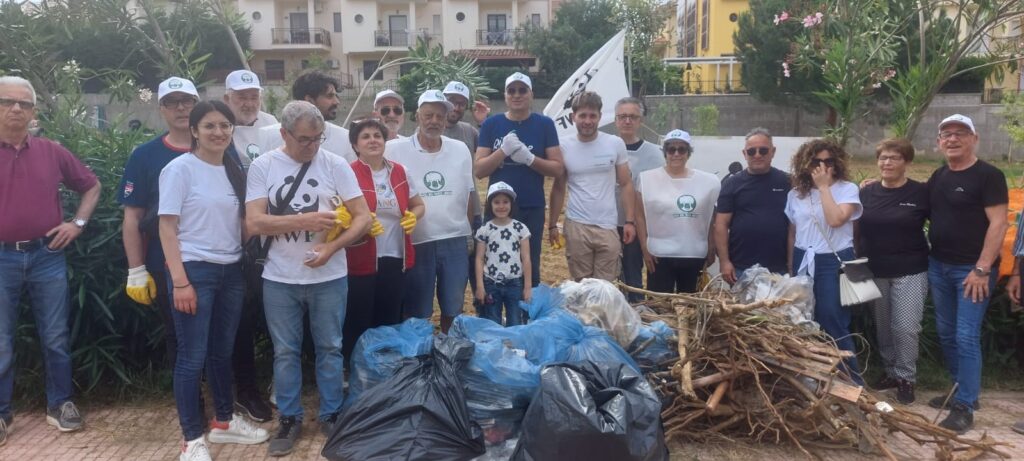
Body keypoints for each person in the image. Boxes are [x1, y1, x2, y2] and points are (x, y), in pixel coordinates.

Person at [245, 101, 371, 456]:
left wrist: (333, 247)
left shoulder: (335, 164)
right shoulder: (263, 166)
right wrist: (305, 220)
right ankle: (289, 418)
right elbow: (254, 222)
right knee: (285, 351)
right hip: (280, 276)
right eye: (304, 139)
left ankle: (332, 414)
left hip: (330, 275)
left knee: (330, 347)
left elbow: (362, 217)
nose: (312, 146)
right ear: (283, 134)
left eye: (318, 138)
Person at [159, 101, 270, 461]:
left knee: (222, 352)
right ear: (194, 130)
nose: (219, 132)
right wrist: (180, 281)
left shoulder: (234, 169)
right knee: (192, 357)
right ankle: (191, 439)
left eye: (225, 125)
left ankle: (224, 420)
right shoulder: (179, 170)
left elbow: (244, 223)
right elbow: (167, 227)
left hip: (231, 271)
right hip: (195, 271)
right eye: (209, 126)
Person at [0, 76, 99, 444]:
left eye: (24, 104)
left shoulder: (51, 151)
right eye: (7, 102)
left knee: (56, 335)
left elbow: (91, 186)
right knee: (0, 340)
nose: (16, 109)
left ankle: (60, 404)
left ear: (33, 112)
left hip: (47, 255)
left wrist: (78, 223)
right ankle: (1, 413)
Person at [925, 114, 1007, 433]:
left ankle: (965, 407)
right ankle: (962, 388)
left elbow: (999, 223)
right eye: (946, 134)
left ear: (974, 139)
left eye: (961, 133)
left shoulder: (989, 175)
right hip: (939, 266)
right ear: (939, 142)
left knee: (965, 335)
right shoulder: (939, 176)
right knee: (947, 333)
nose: (953, 138)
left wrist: (982, 268)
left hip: (972, 271)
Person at [121, 77, 198, 372]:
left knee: (219, 331)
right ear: (161, 109)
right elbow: (132, 216)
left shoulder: (219, 146)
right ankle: (188, 395)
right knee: (177, 333)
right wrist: (136, 269)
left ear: (197, 104)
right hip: (163, 260)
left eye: (187, 101)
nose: (181, 108)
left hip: (215, 257)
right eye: (172, 102)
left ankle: (222, 393)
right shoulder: (145, 155)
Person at [386, 90, 475, 333]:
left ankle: (448, 347)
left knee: (453, 306)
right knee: (417, 309)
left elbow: (468, 193)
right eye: (428, 115)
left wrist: (467, 233)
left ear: (446, 119)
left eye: (439, 116)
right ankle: (418, 350)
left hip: (454, 238)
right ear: (417, 116)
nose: (434, 121)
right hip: (416, 240)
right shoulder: (394, 150)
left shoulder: (460, 149)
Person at [342, 118, 424, 361]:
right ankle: (354, 366)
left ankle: (385, 366)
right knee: (358, 316)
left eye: (377, 135)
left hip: (396, 255)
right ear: (355, 145)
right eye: (365, 136)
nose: (373, 140)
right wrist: (357, 223)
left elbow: (418, 204)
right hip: (361, 257)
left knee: (389, 317)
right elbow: (339, 210)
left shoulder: (400, 171)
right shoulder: (347, 172)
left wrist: (413, 216)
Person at [220, 70, 276, 422]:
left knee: (274, 316)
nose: (248, 101)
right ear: (227, 98)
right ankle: (243, 390)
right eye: (240, 96)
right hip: (232, 237)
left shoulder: (273, 126)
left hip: (271, 237)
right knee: (239, 317)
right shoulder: (219, 128)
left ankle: (276, 381)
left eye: (253, 95)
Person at [856, 138, 929, 405]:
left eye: (894, 158)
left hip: (910, 269)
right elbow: (855, 229)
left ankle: (906, 377)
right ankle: (890, 372)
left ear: (906, 162)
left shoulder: (921, 193)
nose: (887, 163)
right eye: (883, 158)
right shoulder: (866, 192)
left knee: (906, 327)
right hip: (875, 269)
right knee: (884, 327)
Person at [474, 72, 564, 288]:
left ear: (531, 94)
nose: (517, 95)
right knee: (494, 261)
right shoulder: (492, 124)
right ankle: (495, 305)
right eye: (511, 91)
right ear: (505, 95)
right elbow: (479, 170)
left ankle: (527, 306)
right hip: (498, 207)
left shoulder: (544, 124)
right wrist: (502, 152)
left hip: (531, 206)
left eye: (522, 90)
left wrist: (529, 158)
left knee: (529, 262)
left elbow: (557, 169)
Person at [785, 138, 863, 383]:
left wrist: (824, 188)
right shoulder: (795, 194)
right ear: (805, 164)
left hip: (834, 260)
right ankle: (815, 378)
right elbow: (793, 231)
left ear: (837, 163)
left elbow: (836, 220)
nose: (823, 167)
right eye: (816, 162)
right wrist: (791, 266)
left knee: (832, 318)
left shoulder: (847, 189)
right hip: (804, 258)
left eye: (828, 161)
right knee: (804, 317)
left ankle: (852, 380)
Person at [548, 91, 635, 282]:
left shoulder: (615, 143)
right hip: (577, 225)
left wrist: (630, 221)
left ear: (600, 117)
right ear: (573, 117)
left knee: (605, 286)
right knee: (582, 285)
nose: (587, 121)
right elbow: (558, 187)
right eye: (583, 116)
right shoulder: (563, 146)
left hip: (608, 225)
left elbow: (626, 183)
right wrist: (552, 224)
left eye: (592, 116)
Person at [636, 130, 719, 293]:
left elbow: (709, 217)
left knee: (690, 303)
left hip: (693, 252)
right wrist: (645, 249)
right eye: (671, 149)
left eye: (681, 149)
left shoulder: (707, 182)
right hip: (659, 253)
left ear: (688, 153)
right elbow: (640, 216)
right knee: (659, 303)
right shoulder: (647, 180)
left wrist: (711, 245)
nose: (676, 154)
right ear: (665, 152)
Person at [714, 127, 790, 284]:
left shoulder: (787, 182)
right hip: (741, 268)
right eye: (751, 151)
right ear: (744, 153)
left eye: (763, 150)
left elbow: (794, 226)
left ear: (773, 152)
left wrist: (791, 263)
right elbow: (721, 224)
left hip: (779, 268)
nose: (757, 155)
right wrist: (724, 261)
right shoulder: (731, 184)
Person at [613, 97, 663, 301]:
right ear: (616, 120)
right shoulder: (605, 148)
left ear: (640, 120)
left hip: (638, 224)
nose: (627, 121)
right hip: (608, 222)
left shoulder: (655, 154)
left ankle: (636, 309)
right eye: (623, 116)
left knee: (633, 272)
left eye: (632, 117)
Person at [441, 81, 486, 297]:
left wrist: (483, 123)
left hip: (471, 211)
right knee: (447, 274)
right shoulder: (428, 131)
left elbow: (489, 151)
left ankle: (483, 309)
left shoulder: (469, 131)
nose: (456, 107)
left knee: (477, 269)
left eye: (461, 103)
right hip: (440, 214)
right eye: (452, 101)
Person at [258, 71, 355, 162]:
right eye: (329, 96)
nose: (336, 102)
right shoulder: (270, 136)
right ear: (309, 100)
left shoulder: (344, 138)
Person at [474, 182, 532, 326]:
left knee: (515, 321)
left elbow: (526, 258)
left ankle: (513, 341)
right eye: (496, 202)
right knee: (493, 321)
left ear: (512, 204)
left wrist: (527, 287)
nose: (501, 206)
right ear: (490, 204)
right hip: (491, 283)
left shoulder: (520, 229)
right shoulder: (485, 230)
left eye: (505, 202)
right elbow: (479, 258)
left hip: (514, 283)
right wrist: (480, 286)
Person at [223, 69, 278, 167]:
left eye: (254, 98)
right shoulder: (219, 127)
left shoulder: (270, 122)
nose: (249, 104)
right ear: (227, 99)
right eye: (242, 98)